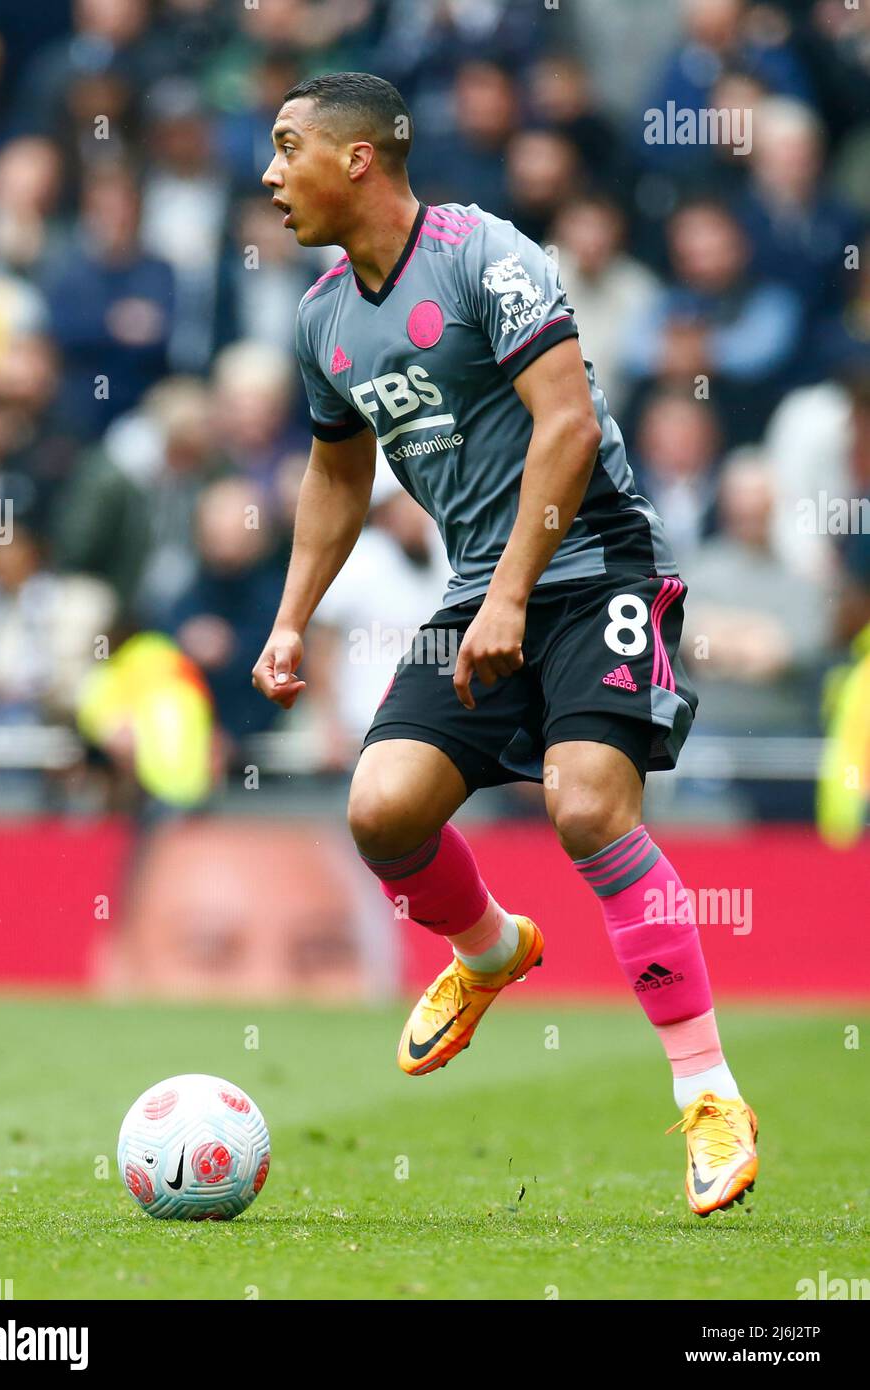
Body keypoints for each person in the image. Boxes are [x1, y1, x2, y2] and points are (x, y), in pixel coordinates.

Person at [253, 72, 758, 1216]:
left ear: (360, 158)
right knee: (382, 809)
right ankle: (488, 951)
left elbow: (568, 422)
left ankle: (710, 1095)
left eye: (289, 148)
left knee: (585, 807)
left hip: (593, 570)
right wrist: (290, 620)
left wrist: (512, 598)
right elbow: (338, 475)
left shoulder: (488, 254)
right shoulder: (323, 315)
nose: (271, 176)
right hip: (487, 592)